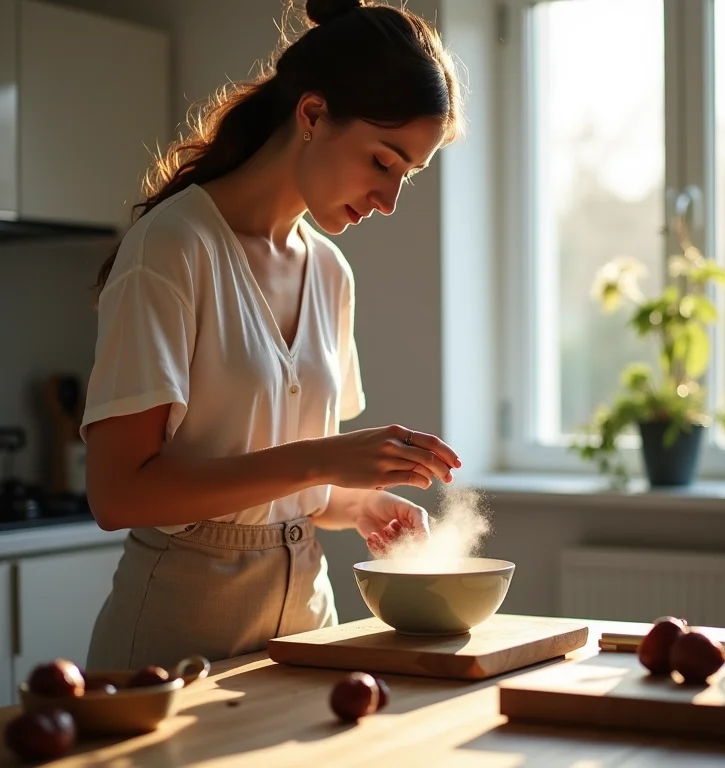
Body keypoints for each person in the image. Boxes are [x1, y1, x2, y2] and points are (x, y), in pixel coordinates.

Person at [80, 0, 464, 672]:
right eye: (383, 160)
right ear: (312, 115)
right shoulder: (172, 248)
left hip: (306, 633)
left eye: (407, 174)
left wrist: (363, 504)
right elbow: (119, 495)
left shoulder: (330, 272)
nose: (388, 200)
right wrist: (321, 461)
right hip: (173, 642)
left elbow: (291, 489)